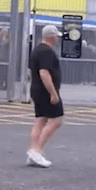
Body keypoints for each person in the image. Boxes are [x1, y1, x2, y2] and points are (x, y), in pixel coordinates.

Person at [27, 25, 64, 168]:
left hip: (37, 90)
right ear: (51, 36)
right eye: (56, 36)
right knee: (56, 120)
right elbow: (44, 73)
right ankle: (37, 150)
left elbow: (31, 72)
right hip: (45, 91)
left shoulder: (36, 50)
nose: (57, 39)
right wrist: (53, 94)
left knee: (41, 120)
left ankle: (33, 150)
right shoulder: (46, 52)